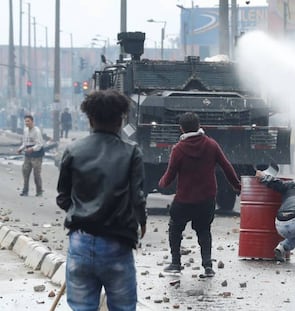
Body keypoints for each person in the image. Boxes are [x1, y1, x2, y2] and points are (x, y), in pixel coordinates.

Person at [56, 90, 147, 311]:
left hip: (80, 242)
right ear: (121, 119)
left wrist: (81, 212)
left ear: (90, 118)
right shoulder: (131, 152)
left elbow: (63, 197)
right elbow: (138, 198)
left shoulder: (73, 150)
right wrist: (141, 223)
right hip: (117, 242)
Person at [159, 112, 241, 277]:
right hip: (206, 199)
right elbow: (226, 166)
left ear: (181, 128)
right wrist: (236, 185)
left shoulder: (178, 149)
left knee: (175, 228)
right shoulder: (211, 145)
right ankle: (208, 266)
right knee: (204, 231)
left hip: (184, 200)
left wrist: (161, 184)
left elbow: (169, 175)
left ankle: (175, 263)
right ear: (199, 125)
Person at [17, 114, 44, 197]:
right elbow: (25, 143)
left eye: (28, 121)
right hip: (28, 155)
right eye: (25, 121)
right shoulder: (25, 130)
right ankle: (25, 191)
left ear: (32, 121)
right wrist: (20, 148)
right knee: (25, 171)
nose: (27, 123)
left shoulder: (37, 131)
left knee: (36, 174)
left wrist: (32, 149)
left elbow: (39, 144)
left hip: (36, 155)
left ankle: (39, 191)